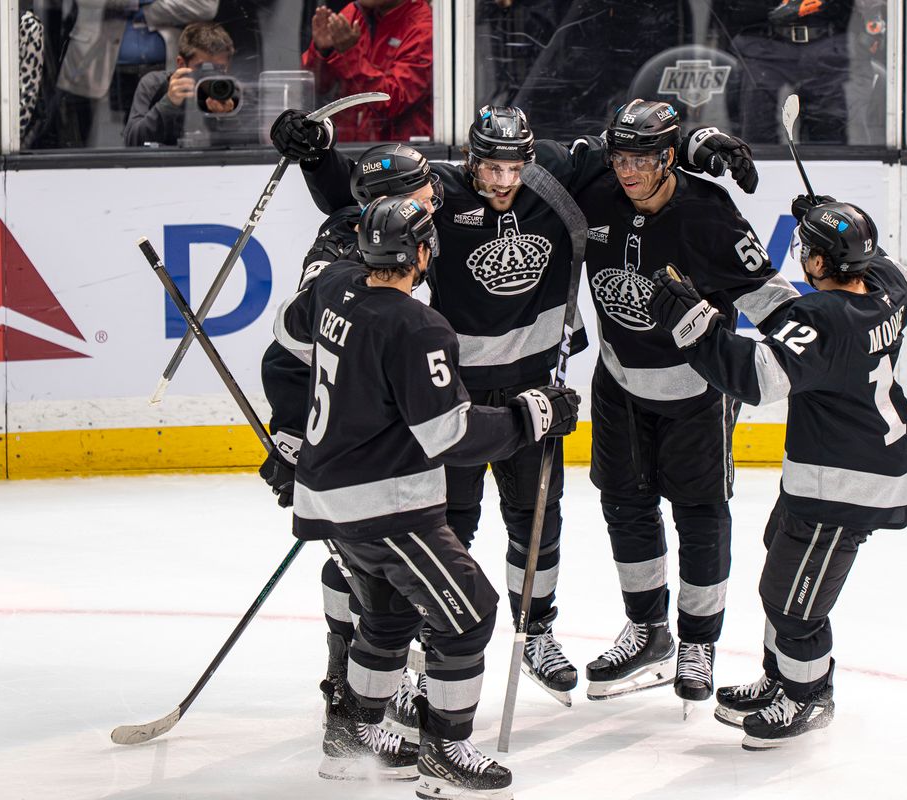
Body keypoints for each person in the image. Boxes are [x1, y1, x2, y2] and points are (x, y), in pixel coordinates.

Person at [269, 102, 759, 708]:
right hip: (456, 396)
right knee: (450, 527)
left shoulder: (553, 174)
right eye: (489, 167)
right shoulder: (436, 193)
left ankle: (537, 633)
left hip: (535, 389)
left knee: (536, 522)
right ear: (470, 158)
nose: (503, 181)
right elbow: (363, 193)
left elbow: (632, 147)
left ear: (529, 158)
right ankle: (430, 643)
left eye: (513, 167)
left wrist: (700, 145)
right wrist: (317, 157)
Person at [273, 194, 579, 795]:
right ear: (420, 253)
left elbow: (290, 328)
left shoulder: (335, 285)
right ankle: (446, 747)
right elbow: (451, 434)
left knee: (386, 616)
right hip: (387, 502)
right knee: (469, 615)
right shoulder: (418, 325)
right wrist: (531, 414)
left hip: (326, 499)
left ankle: (351, 735)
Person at [647, 196, 907, 746]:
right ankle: (781, 679)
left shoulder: (822, 317)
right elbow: (877, 259)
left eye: (809, 251)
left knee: (793, 604)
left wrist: (690, 320)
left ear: (820, 264)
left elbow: (756, 377)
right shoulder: (890, 292)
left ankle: (807, 697)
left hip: (843, 485)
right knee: (785, 571)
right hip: (839, 470)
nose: (803, 259)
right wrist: (831, 214)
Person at [574, 99, 792, 710]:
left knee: (698, 511)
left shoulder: (709, 212)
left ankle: (698, 640)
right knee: (624, 502)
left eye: (643, 159)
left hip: (697, 390)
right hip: (618, 382)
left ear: (669, 158)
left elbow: (768, 296)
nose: (629, 171)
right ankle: (648, 631)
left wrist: (825, 342)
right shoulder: (596, 192)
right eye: (621, 158)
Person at [258, 141, 445, 757]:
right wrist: (291, 436)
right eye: (422, 188)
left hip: (394, 436)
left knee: (386, 568)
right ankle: (349, 697)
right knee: (361, 568)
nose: (434, 193)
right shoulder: (343, 254)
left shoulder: (410, 230)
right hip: (345, 446)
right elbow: (287, 355)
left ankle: (383, 686)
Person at [50, 0, 217, 148]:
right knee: (78, 148)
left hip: (163, 66)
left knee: (162, 146)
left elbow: (205, 6)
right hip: (93, 64)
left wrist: (147, 10)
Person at [300, 0, 432, 141]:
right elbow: (316, 88)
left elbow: (391, 101)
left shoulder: (423, 28)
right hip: (348, 148)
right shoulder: (356, 11)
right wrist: (323, 52)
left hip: (398, 154)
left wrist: (348, 54)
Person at [726, 0, 855, 144]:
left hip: (824, 45)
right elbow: (730, 9)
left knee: (829, 133)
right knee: (758, 131)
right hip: (766, 46)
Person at [123, 22, 236, 147]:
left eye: (219, 68)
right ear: (181, 63)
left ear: (228, 66)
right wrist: (168, 104)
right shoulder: (155, 85)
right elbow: (132, 142)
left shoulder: (234, 91)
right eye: (202, 68)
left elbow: (251, 146)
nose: (210, 75)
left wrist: (226, 118)